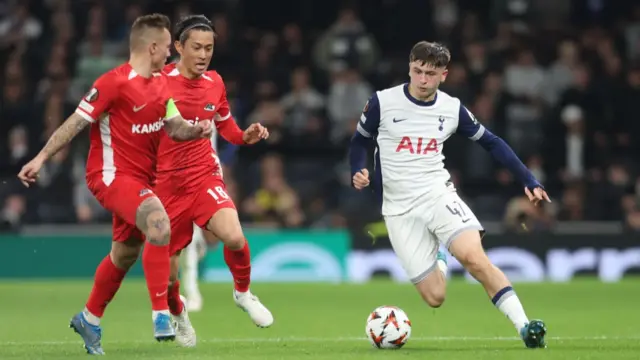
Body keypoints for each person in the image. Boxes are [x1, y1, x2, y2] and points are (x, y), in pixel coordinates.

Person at [18, 14, 213, 355]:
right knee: (158, 221)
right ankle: (161, 315)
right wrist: (41, 158)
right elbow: (75, 123)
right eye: (167, 48)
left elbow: (174, 127)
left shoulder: (161, 86)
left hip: (141, 180)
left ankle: (89, 319)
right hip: (110, 177)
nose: (170, 55)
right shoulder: (113, 83)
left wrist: (195, 130)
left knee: (124, 255)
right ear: (151, 47)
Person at [349, 41, 550, 349]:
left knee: (474, 258)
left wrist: (528, 179)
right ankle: (440, 256)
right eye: (417, 71)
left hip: (437, 194)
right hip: (399, 210)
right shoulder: (382, 102)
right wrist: (357, 170)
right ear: (409, 68)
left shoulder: (452, 108)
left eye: (430, 73)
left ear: (444, 74)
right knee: (435, 297)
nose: (422, 80)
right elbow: (360, 142)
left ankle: (525, 327)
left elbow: (492, 142)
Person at [154, 15, 274, 347]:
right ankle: (179, 315)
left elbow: (228, 128)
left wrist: (246, 136)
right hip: (164, 186)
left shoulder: (215, 82)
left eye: (209, 48)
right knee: (169, 278)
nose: (204, 54)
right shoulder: (158, 82)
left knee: (234, 235)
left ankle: (243, 293)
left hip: (203, 175)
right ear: (178, 47)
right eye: (196, 47)